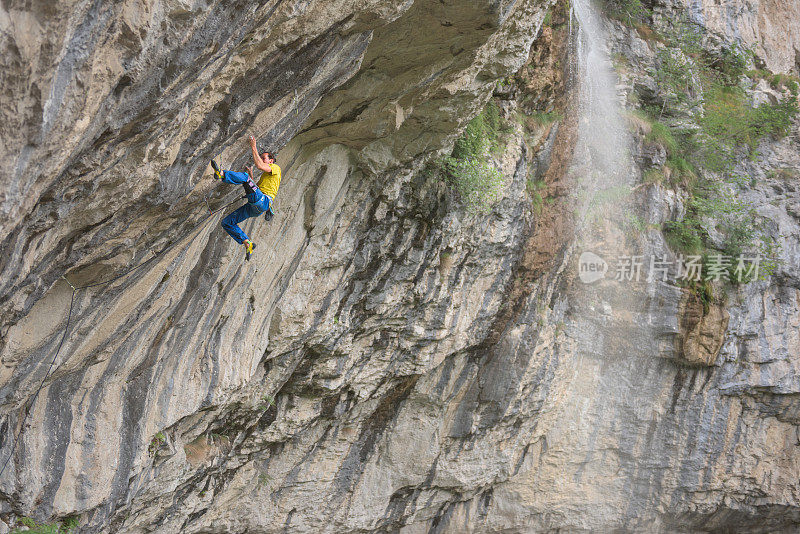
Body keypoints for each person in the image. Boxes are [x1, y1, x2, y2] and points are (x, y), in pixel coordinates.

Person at [211, 135, 282, 260]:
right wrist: (252, 176)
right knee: (227, 222)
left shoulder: (276, 168)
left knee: (244, 177)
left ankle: (221, 174)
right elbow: (255, 188)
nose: (261, 159)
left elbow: (260, 166)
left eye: (264, 157)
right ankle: (247, 243)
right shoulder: (267, 177)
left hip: (263, 201)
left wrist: (253, 146)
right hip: (256, 207)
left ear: (271, 161)